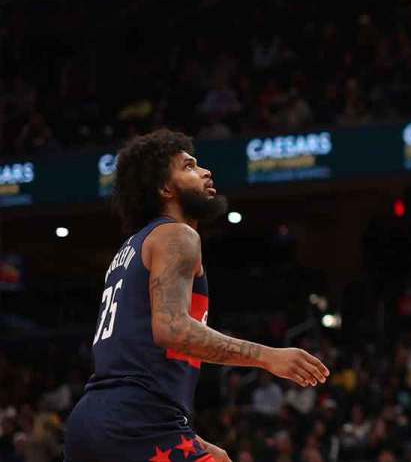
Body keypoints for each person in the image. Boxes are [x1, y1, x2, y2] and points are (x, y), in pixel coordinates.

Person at [65, 130, 329, 462]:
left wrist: (190, 437)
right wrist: (267, 356)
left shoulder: (130, 249)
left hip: (98, 423)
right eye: (189, 167)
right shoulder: (177, 235)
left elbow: (133, 356)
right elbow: (172, 330)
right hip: (135, 423)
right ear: (165, 188)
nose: (205, 172)